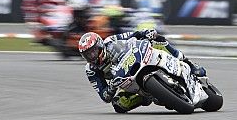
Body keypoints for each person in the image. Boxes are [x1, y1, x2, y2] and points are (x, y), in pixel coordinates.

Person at [78, 29, 206, 113]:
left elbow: (133, 35)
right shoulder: (91, 70)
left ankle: (189, 63)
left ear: (100, 46)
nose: (91, 56)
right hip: (126, 82)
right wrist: (111, 87)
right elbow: (104, 96)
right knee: (118, 104)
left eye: (93, 51)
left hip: (137, 59)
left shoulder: (111, 41)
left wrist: (146, 33)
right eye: (87, 55)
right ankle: (143, 98)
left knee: (158, 40)